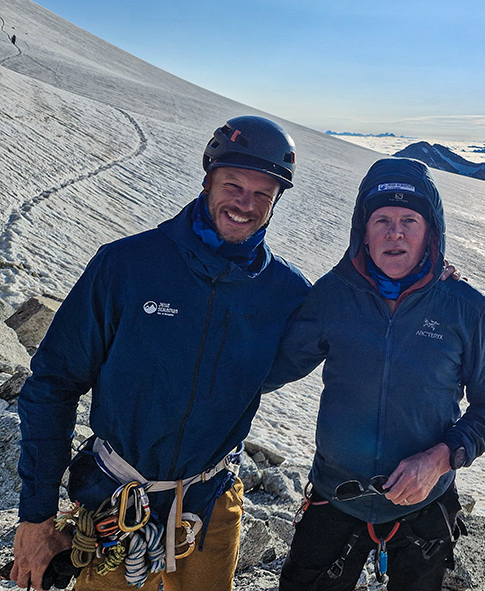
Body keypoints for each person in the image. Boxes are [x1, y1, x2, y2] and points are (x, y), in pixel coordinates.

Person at [12, 116, 311, 591]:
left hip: (211, 505)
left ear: (276, 201)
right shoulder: (128, 265)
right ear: (207, 179)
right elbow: (54, 382)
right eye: (233, 185)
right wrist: (36, 516)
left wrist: (431, 284)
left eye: (262, 194)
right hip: (117, 506)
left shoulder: (286, 293)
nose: (245, 204)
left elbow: (354, 320)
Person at [266, 157, 485, 591]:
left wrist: (440, 459)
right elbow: (271, 368)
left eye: (408, 220)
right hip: (336, 492)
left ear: (430, 231)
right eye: (381, 219)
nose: (394, 232)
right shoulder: (333, 296)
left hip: (425, 502)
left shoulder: (466, 309)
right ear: (363, 229)